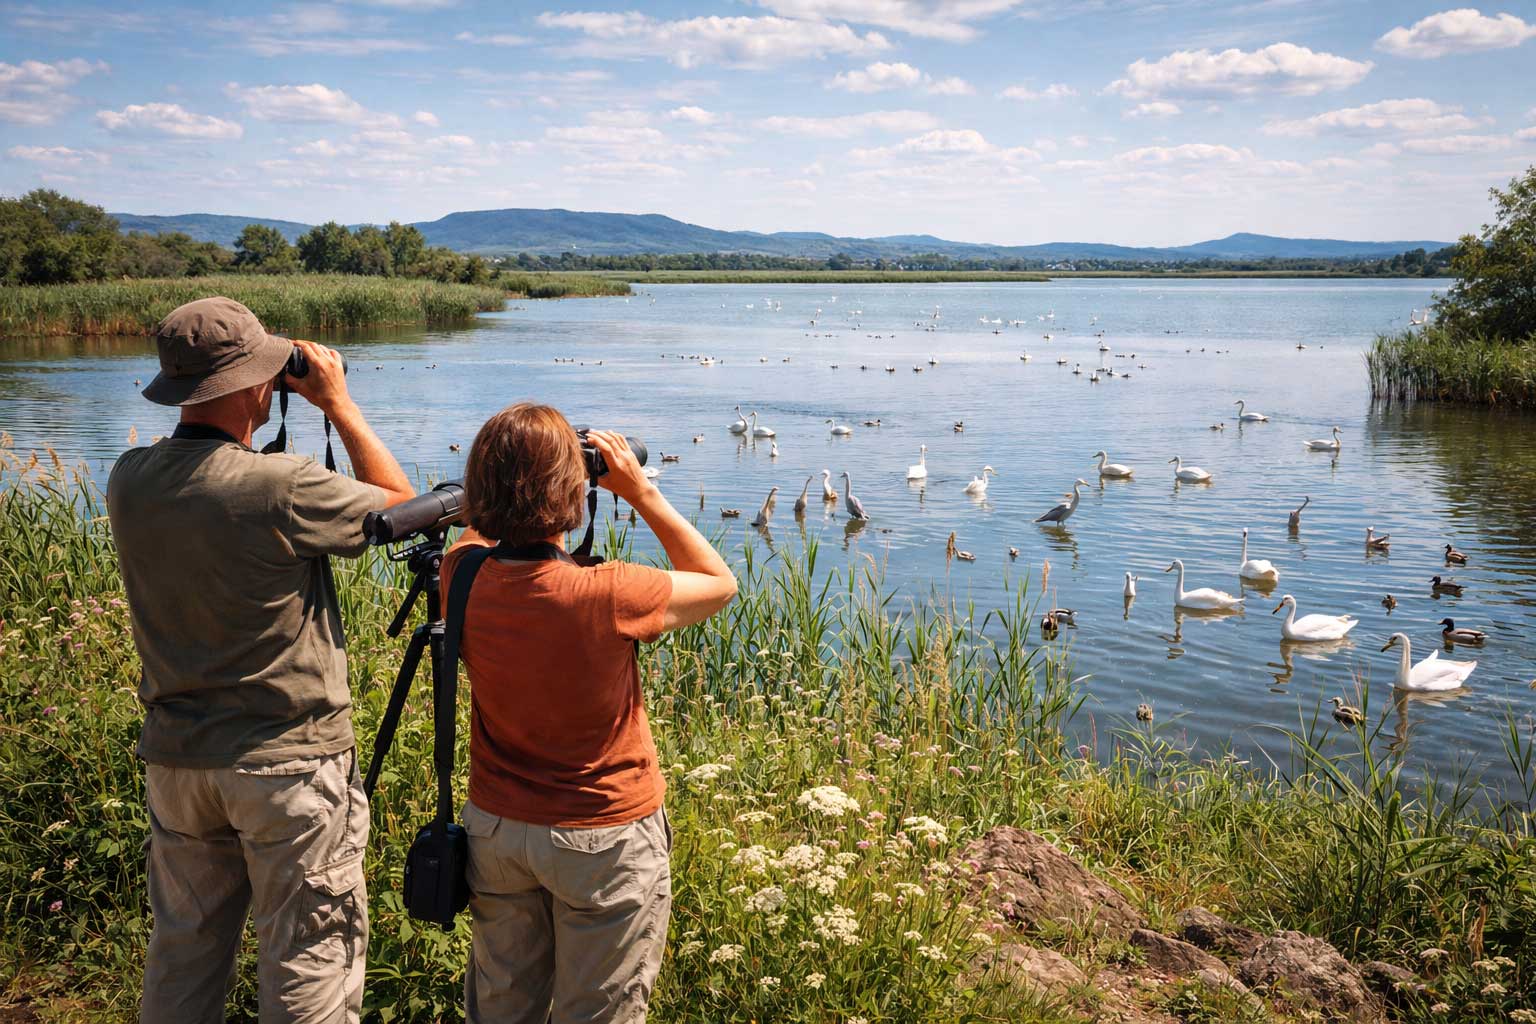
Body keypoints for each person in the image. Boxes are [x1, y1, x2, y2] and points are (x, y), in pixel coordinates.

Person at [107, 296, 414, 1023]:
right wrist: (337, 403)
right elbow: (402, 506)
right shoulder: (281, 486)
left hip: (179, 762)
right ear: (252, 386)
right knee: (309, 958)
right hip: (288, 766)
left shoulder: (129, 477)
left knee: (183, 954)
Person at [443, 403, 737, 1024]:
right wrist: (639, 491)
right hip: (601, 836)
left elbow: (476, 528)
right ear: (567, 491)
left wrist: (501, 485)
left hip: (498, 832)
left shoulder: (461, 575)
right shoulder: (610, 592)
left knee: (501, 1011)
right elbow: (718, 581)